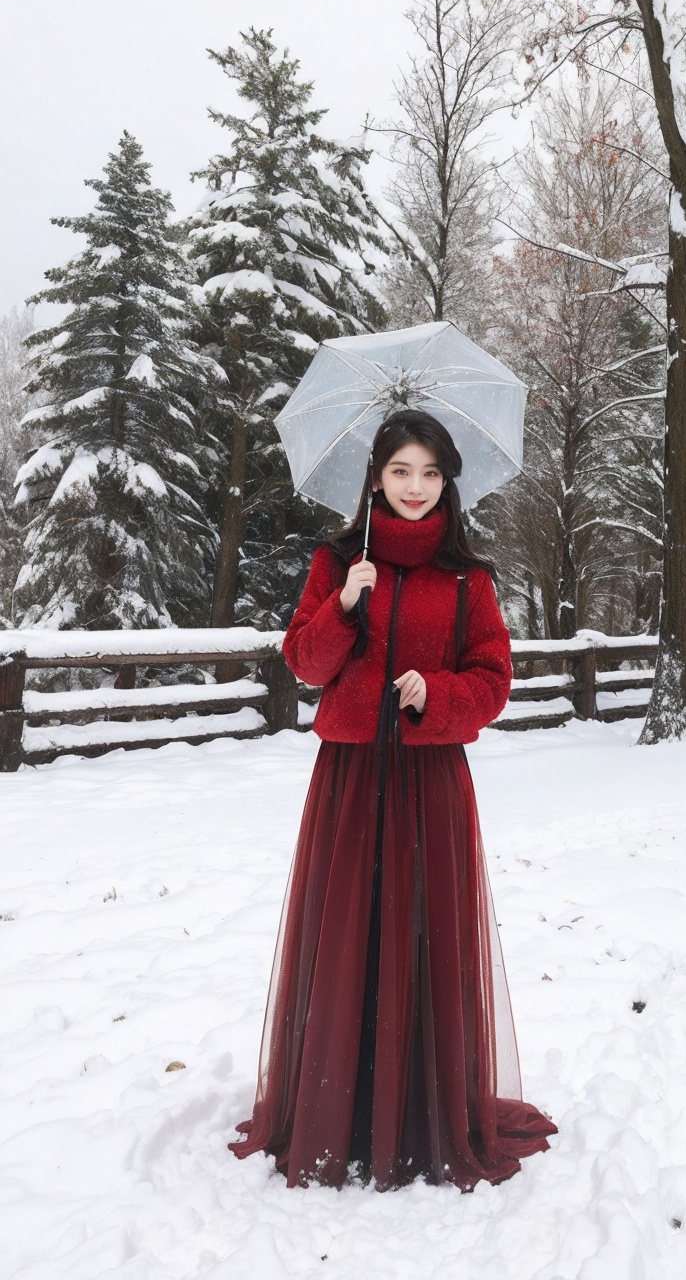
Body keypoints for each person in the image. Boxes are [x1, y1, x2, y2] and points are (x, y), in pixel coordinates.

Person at [230, 409, 556, 1191]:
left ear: (448, 482)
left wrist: (433, 693)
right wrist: (345, 605)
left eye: (432, 474)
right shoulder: (337, 561)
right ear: (375, 476)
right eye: (402, 471)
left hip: (429, 782)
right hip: (349, 781)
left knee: (423, 933)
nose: (416, 488)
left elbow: (493, 680)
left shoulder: (468, 578)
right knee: (349, 933)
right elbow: (306, 665)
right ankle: (339, 1109)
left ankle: (421, 1111)